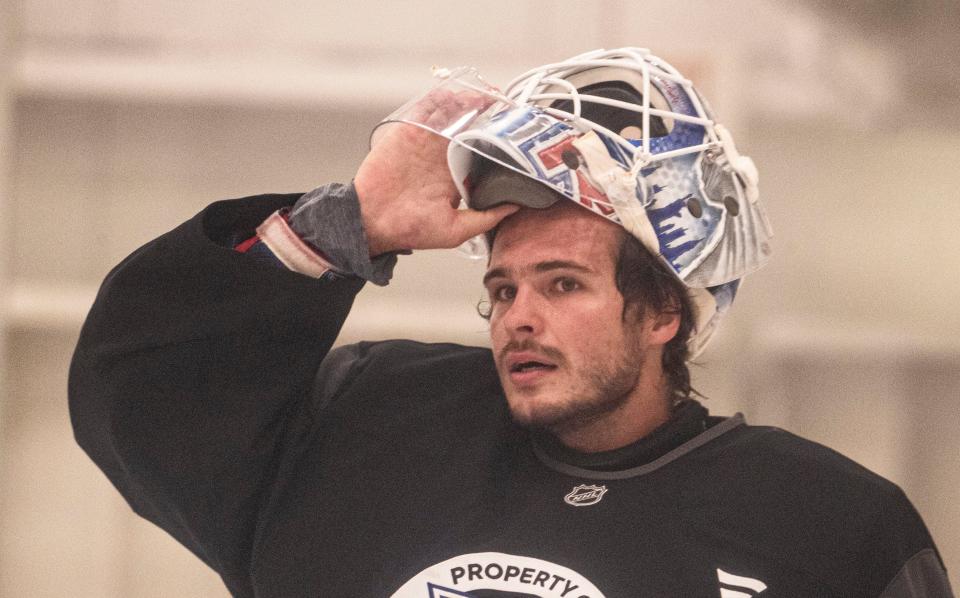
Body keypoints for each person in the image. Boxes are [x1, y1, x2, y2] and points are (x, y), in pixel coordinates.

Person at [69, 48, 952, 597]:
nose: (517, 318)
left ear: (661, 317)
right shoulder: (371, 431)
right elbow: (139, 396)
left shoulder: (828, 526)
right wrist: (352, 225)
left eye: (562, 286)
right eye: (503, 290)